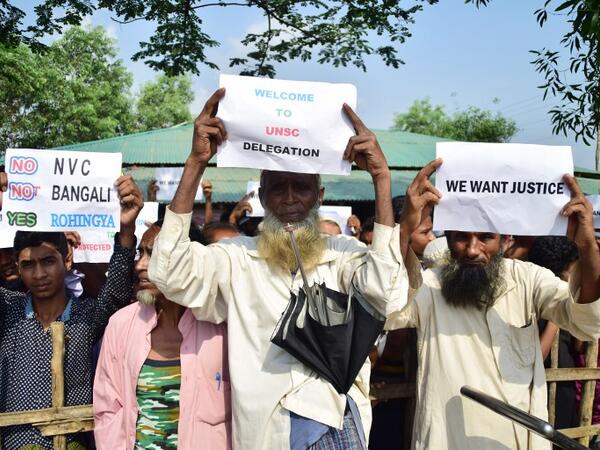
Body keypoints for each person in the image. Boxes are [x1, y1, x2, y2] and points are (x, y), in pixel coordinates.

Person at [147, 89, 410, 450]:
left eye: (300, 187)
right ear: (262, 197)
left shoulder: (344, 253)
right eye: (278, 188)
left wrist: (382, 178)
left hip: (336, 420)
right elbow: (169, 272)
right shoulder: (237, 257)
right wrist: (196, 163)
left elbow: (390, 295)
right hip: (267, 429)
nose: (289, 199)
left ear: (319, 196)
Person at [386, 159, 600, 450]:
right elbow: (385, 307)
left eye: (486, 237)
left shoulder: (527, 279)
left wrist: (587, 246)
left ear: (505, 240)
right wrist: (403, 229)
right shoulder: (429, 287)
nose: (473, 250)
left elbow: (587, 321)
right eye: (461, 237)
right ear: (447, 237)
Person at [0, 173, 142, 450]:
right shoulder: (8, 312)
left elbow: (115, 292)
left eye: (48, 261)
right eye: (28, 265)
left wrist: (126, 231)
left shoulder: (86, 316)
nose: (39, 273)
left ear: (67, 260)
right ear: (17, 267)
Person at [93, 220, 231, 450]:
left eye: (155, 255)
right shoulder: (121, 324)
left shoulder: (221, 326)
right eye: (141, 253)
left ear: (188, 263)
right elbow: (108, 407)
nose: (140, 265)